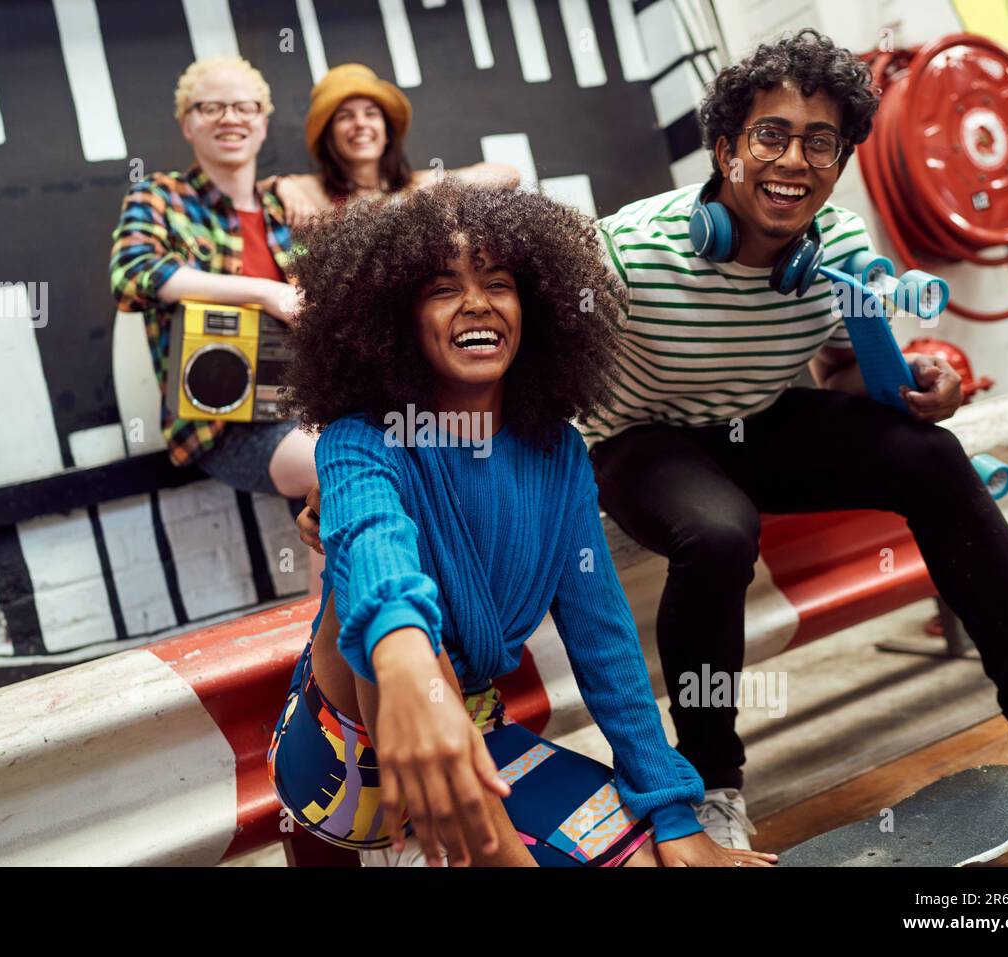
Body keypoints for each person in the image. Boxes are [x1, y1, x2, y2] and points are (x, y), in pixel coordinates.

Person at [584, 29, 1008, 847]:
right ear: (726, 148)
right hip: (643, 437)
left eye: (821, 143)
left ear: (842, 160)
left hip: (761, 419)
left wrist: (927, 387)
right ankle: (711, 784)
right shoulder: (628, 251)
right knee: (717, 531)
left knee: (931, 455)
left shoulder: (842, 250)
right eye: (770, 135)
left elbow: (850, 379)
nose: (794, 161)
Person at [267, 180, 777, 867]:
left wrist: (670, 808)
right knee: (392, 594)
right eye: (443, 287)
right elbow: (375, 553)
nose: (477, 301)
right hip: (346, 754)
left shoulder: (558, 452)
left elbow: (604, 638)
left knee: (657, 858)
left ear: (534, 307)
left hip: (474, 731)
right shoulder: (361, 439)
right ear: (397, 322)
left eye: (498, 282)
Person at [109, 55, 321, 589]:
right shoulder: (160, 196)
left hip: (312, 407)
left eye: (244, 106)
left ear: (263, 121)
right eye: (212, 107)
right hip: (229, 427)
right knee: (342, 464)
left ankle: (347, 653)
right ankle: (345, 655)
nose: (230, 117)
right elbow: (133, 275)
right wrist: (266, 293)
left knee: (371, 464)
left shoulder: (285, 205)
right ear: (187, 122)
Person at [269, 63, 519, 224]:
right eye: (345, 116)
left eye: (371, 114)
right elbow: (246, 193)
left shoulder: (416, 185)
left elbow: (508, 175)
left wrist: (429, 192)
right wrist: (279, 184)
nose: (360, 124)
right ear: (329, 135)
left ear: (387, 132)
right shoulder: (311, 190)